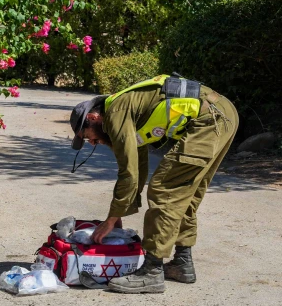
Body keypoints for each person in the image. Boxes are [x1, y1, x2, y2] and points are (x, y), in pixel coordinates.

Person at [68, 74, 239, 293]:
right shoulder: (128, 111)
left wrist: (110, 219)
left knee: (164, 189)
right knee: (183, 191)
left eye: (87, 136)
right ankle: (182, 263)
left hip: (209, 119)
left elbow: (127, 172)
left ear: (93, 117)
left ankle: (151, 272)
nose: (93, 142)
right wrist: (118, 213)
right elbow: (137, 167)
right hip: (222, 114)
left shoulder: (115, 114)